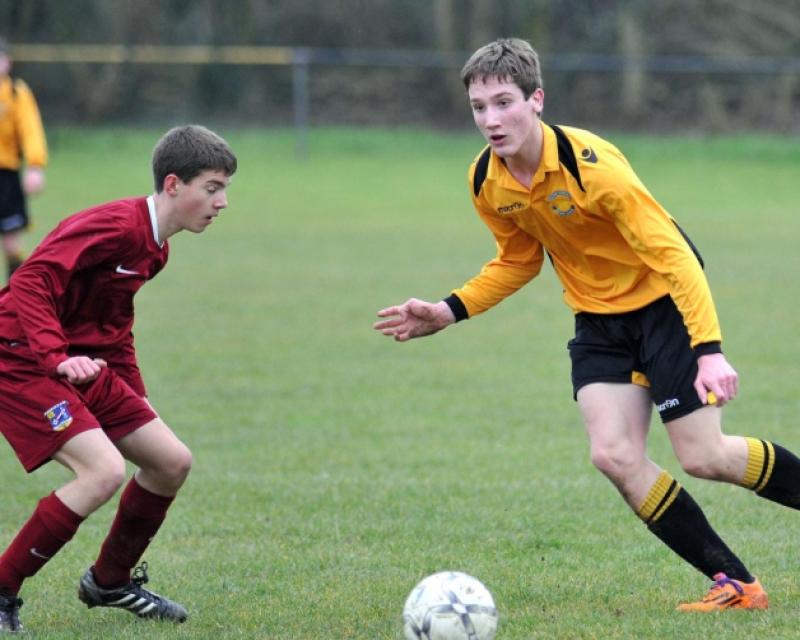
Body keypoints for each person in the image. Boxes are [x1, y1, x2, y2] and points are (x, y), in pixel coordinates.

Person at [374, 38, 800, 612]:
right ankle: (738, 585)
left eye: (504, 103)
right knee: (613, 455)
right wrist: (449, 310)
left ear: (536, 100)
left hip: (663, 307)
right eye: (479, 107)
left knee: (705, 457)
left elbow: (675, 256)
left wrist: (709, 350)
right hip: (599, 322)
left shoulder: (593, 168)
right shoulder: (486, 181)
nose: (491, 120)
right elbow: (518, 260)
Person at [0, 124, 237, 632]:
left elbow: (112, 329)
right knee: (103, 471)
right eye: (212, 188)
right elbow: (31, 280)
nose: (222, 203)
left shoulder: (156, 249)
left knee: (170, 461)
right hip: (19, 356)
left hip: (82, 361)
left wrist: (136, 398)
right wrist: (55, 356)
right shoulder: (115, 225)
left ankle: (109, 581)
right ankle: (2, 587)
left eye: (224, 190)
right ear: (173, 184)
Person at [0, 37, 47, 280]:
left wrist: (35, 166)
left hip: (6, 176)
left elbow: (31, 130)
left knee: (11, 244)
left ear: (7, 62)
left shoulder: (17, 94)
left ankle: (15, 295)